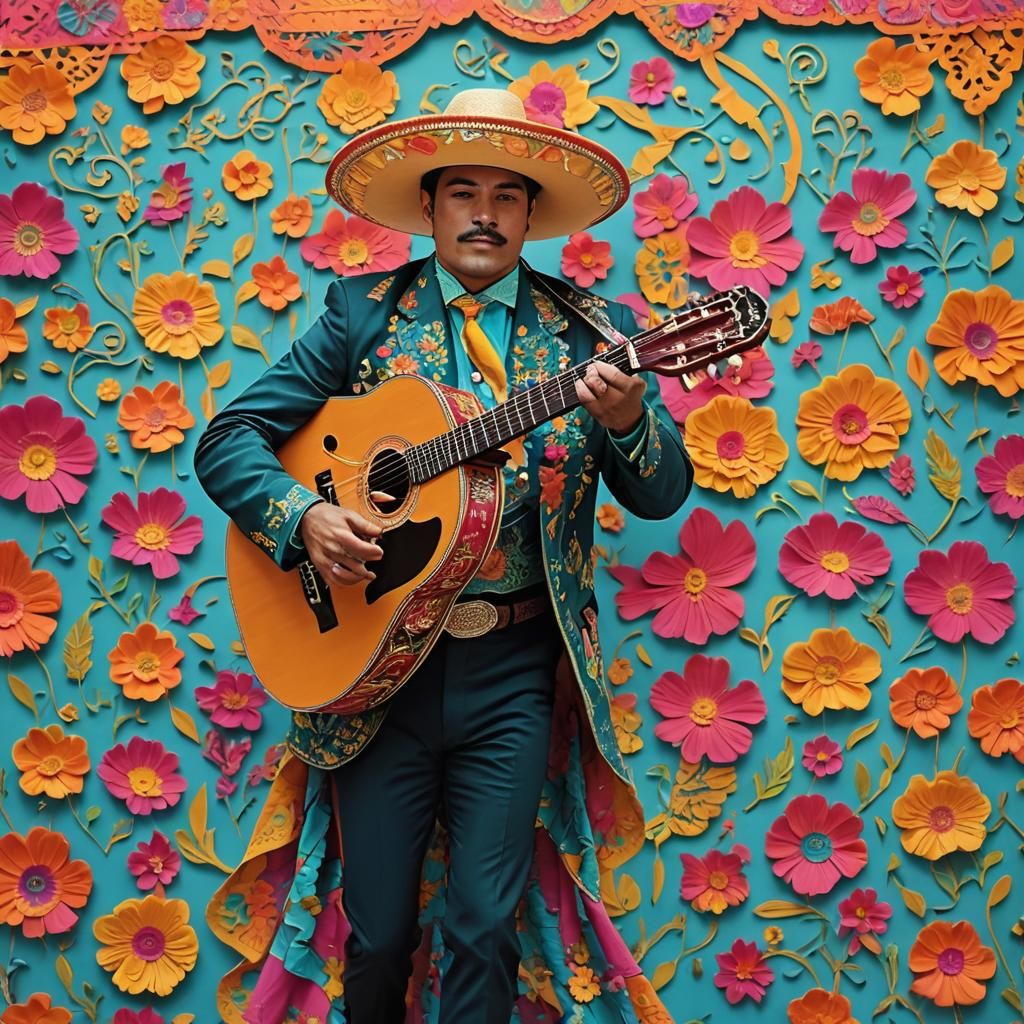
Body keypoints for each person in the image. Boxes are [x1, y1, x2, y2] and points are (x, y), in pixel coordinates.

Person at [196, 88, 691, 1024]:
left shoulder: (592, 333)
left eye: (506, 197)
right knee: (378, 929)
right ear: (428, 209)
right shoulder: (361, 316)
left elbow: (661, 496)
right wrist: (303, 518)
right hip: (380, 667)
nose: (483, 214)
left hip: (512, 665)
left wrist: (626, 419)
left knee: (483, 923)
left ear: (531, 214)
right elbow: (230, 437)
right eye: (461, 192)